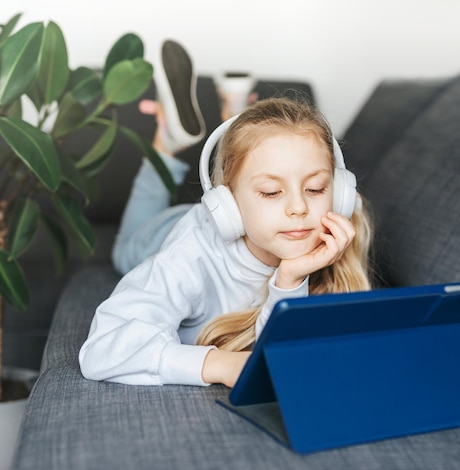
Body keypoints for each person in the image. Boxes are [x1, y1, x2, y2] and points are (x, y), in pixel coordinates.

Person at [79, 41, 373, 389]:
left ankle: (232, 119)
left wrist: (289, 279)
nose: (299, 208)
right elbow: (101, 351)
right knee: (125, 248)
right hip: (165, 232)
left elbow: (277, 364)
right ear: (226, 202)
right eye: (271, 192)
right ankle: (167, 144)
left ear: (338, 193)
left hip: (233, 223)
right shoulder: (189, 256)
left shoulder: (338, 225)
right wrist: (216, 364)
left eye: (315, 188)